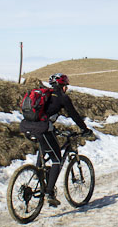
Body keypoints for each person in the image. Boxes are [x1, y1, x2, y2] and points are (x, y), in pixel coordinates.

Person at [20, 73, 91, 207]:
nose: (66, 89)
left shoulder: (46, 95)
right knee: (56, 159)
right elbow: (74, 115)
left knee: (45, 146)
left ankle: (39, 173)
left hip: (27, 126)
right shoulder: (62, 98)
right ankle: (49, 192)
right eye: (66, 86)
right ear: (63, 86)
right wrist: (85, 129)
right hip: (42, 128)